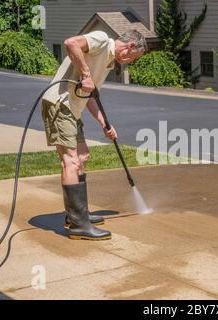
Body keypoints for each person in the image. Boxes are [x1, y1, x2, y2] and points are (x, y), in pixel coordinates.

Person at [41, 29, 147, 240]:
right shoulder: (101, 40)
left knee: (82, 157)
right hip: (60, 105)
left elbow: (89, 94)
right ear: (130, 47)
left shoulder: (107, 62)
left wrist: (104, 123)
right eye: (135, 58)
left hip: (73, 109)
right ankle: (79, 225)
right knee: (70, 161)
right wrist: (85, 74)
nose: (131, 62)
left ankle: (78, 214)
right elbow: (71, 42)